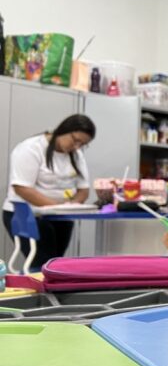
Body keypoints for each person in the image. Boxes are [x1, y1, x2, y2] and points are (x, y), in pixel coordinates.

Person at [2, 114, 96, 270]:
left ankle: (51, 291)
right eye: (75, 140)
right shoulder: (31, 148)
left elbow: (83, 190)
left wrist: (72, 205)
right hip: (25, 213)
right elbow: (22, 188)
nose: (77, 147)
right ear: (63, 130)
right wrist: (57, 207)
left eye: (83, 144)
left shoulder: (76, 155)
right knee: (42, 263)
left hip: (59, 216)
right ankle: (41, 291)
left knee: (55, 265)